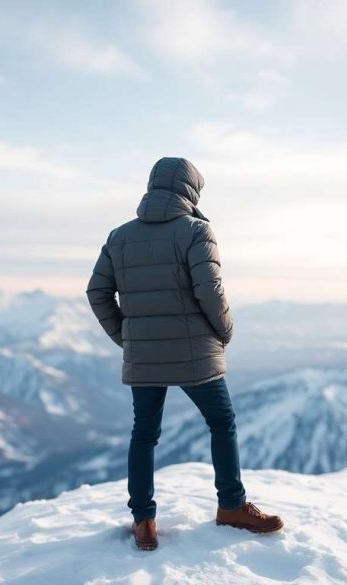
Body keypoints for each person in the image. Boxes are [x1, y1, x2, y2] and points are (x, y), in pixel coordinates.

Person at [86, 157, 284, 551]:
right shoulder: (197, 230)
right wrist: (224, 330)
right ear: (190, 190)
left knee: (143, 435)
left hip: (144, 356)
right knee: (222, 422)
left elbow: (97, 293)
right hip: (196, 351)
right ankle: (231, 507)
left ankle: (144, 521)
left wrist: (128, 337)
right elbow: (210, 291)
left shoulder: (119, 236)